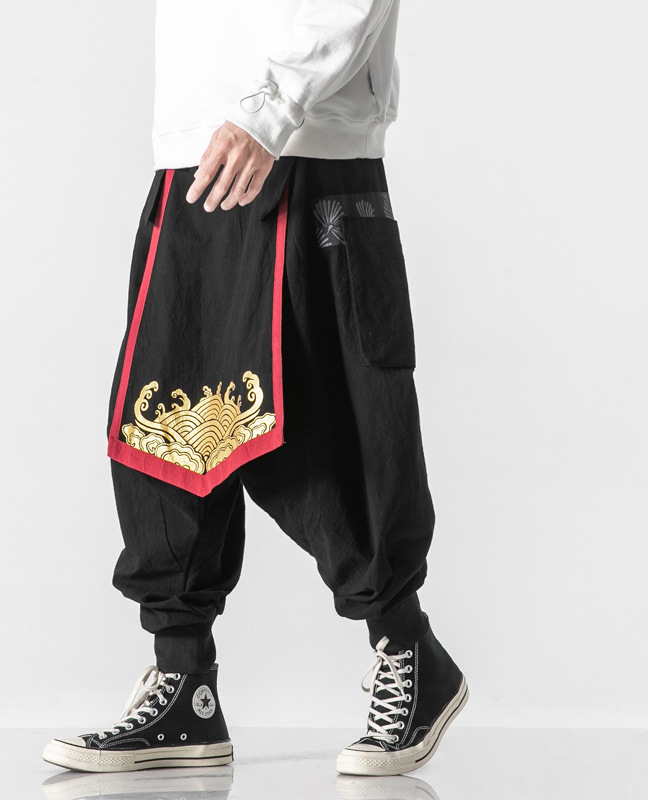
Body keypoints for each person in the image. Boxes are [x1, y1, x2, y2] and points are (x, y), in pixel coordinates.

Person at [43, 0, 468, 778]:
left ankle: (409, 650)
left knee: (338, 422)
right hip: (195, 145)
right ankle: (185, 686)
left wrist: (270, 109)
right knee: (168, 424)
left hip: (304, 144)